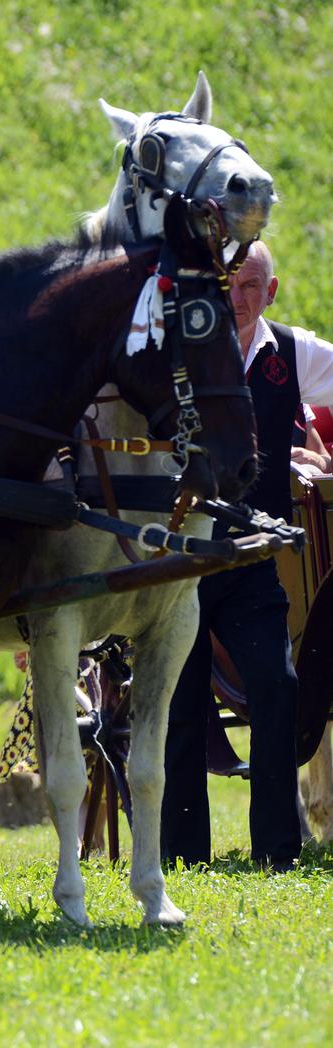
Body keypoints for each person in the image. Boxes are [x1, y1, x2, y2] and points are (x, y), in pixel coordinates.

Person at [163, 241, 333, 870]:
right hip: (181, 558)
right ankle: (184, 857)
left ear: (273, 290)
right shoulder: (181, 347)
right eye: (229, 284)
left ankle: (276, 853)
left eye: (251, 286)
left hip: (253, 555)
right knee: (180, 703)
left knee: (278, 687)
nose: (238, 298)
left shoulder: (291, 352)